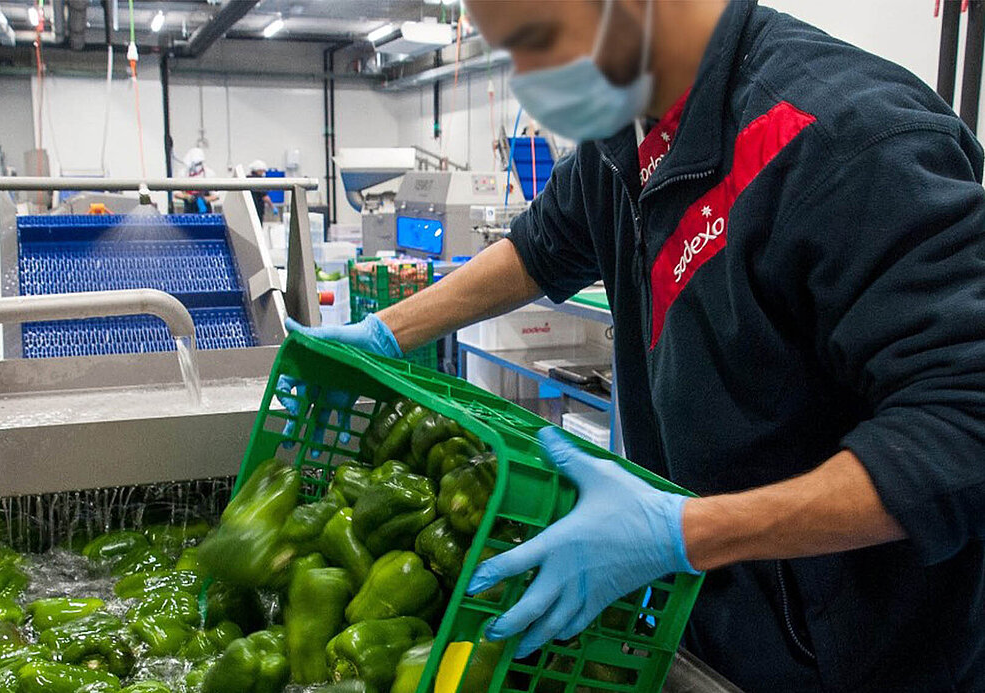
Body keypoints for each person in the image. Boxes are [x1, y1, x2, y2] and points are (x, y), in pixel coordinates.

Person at [285, 0, 985, 689]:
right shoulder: (629, 128)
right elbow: (545, 244)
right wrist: (385, 333)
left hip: (864, 655)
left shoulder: (848, 139)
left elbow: (963, 433)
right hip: (720, 619)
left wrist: (684, 531)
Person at [174, 147, 220, 213]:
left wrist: (205, 199)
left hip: (205, 210)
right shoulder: (183, 173)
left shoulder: (209, 174)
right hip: (189, 210)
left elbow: (216, 195)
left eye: (199, 164)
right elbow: (176, 193)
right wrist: (187, 197)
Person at [246, 159, 273, 224]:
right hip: (257, 210)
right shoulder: (259, 180)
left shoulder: (247, 179)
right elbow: (265, 197)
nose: (263, 173)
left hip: (247, 211)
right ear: (258, 170)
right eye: (262, 171)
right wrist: (272, 207)